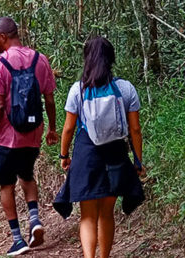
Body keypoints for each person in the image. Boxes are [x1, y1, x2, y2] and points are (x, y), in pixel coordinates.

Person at [0, 16, 59, 256]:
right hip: (33, 134)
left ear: (2, 37)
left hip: (7, 137)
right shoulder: (40, 59)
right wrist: (51, 129)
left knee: (6, 184)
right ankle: (35, 219)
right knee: (27, 175)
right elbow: (49, 99)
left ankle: (18, 239)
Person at [57, 36, 145, 258]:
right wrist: (138, 161)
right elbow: (135, 129)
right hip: (115, 155)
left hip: (86, 156)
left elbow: (68, 129)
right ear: (111, 59)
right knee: (107, 213)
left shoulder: (78, 90)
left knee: (87, 215)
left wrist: (64, 155)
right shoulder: (125, 89)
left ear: (87, 58)